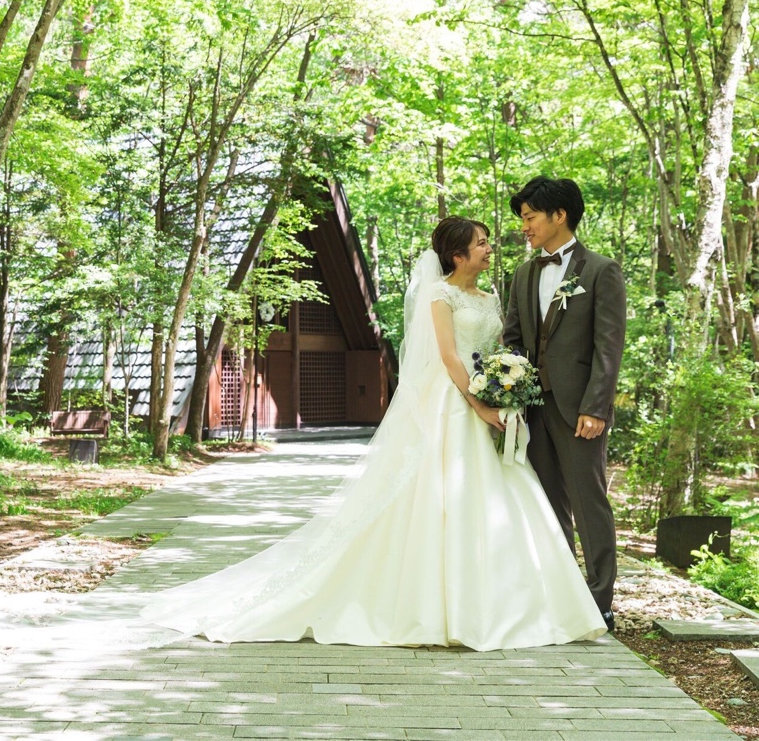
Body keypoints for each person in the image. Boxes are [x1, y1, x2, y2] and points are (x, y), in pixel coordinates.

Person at [141, 217, 606, 651]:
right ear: (457, 255)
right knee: (439, 498)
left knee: (502, 493)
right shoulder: (440, 295)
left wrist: (506, 386)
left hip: (488, 398)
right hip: (452, 402)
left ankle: (514, 603)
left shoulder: (490, 298)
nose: (489, 249)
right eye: (481, 244)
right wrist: (480, 404)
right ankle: (434, 608)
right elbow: (449, 356)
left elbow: (498, 348)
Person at [503, 176, 626, 631]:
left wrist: (596, 407)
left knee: (588, 503)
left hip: (580, 410)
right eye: (523, 218)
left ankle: (600, 602)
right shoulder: (523, 274)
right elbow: (513, 339)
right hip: (533, 407)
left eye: (530, 217)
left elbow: (609, 347)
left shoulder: (601, 271)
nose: (525, 226)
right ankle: (560, 598)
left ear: (560, 216)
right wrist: (508, 393)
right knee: (547, 505)